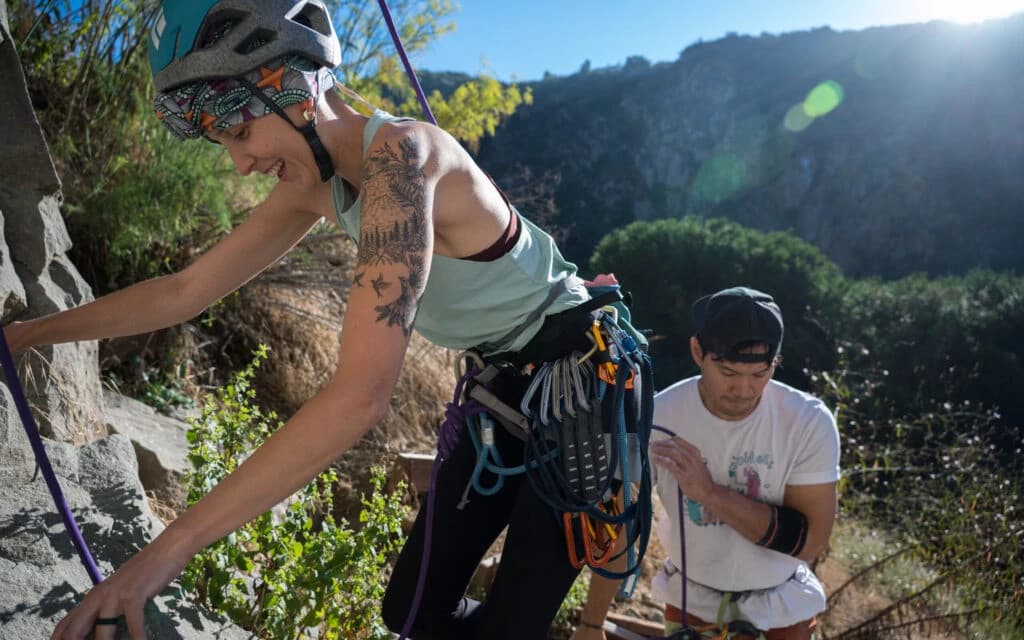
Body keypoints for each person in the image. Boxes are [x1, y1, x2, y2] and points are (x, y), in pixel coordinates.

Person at [4, 2, 651, 639]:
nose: (240, 163)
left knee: (512, 626)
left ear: (294, 87)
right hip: (503, 386)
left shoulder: (404, 158)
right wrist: (25, 335)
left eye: (238, 131)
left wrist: (153, 565)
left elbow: (359, 397)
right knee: (411, 612)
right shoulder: (315, 187)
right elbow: (184, 291)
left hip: (581, 380)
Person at [572, 287, 840, 640]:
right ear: (697, 351)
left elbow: (808, 541)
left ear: (776, 361)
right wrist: (591, 624)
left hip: (782, 610)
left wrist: (710, 494)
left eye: (761, 374)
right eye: (728, 373)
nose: (744, 389)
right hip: (691, 605)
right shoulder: (653, 418)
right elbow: (619, 526)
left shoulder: (807, 421)